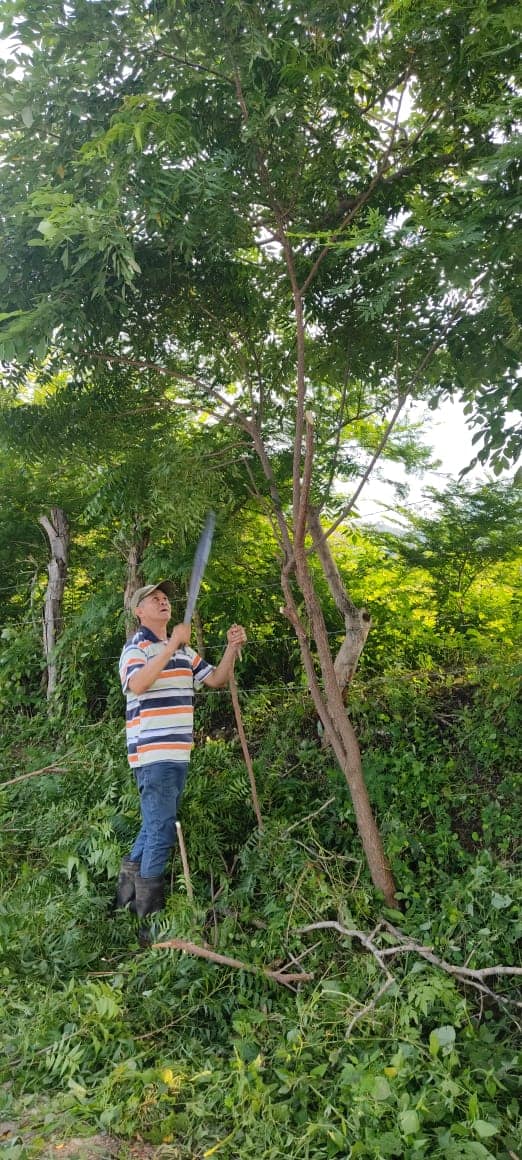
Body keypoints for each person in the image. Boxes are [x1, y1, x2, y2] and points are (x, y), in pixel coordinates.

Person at [116, 580, 246, 921]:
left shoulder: (185, 653)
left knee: (151, 825)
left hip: (177, 754)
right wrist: (172, 642)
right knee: (161, 829)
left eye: (165, 598)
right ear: (139, 611)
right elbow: (139, 684)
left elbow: (216, 680)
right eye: (153, 599)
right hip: (152, 756)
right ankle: (149, 920)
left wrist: (231, 648)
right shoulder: (136, 648)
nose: (163, 602)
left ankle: (124, 900)